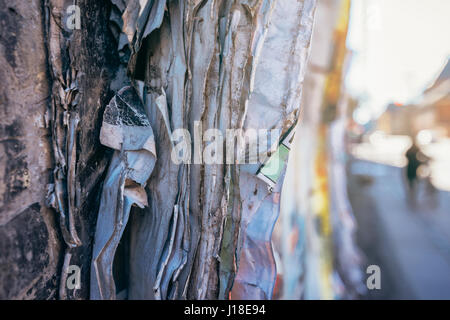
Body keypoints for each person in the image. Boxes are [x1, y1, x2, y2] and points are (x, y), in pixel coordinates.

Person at [405, 139, 431, 204]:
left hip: (411, 168)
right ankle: (412, 194)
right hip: (413, 168)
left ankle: (412, 194)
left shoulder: (411, 149)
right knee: (413, 182)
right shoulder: (413, 149)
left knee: (412, 182)